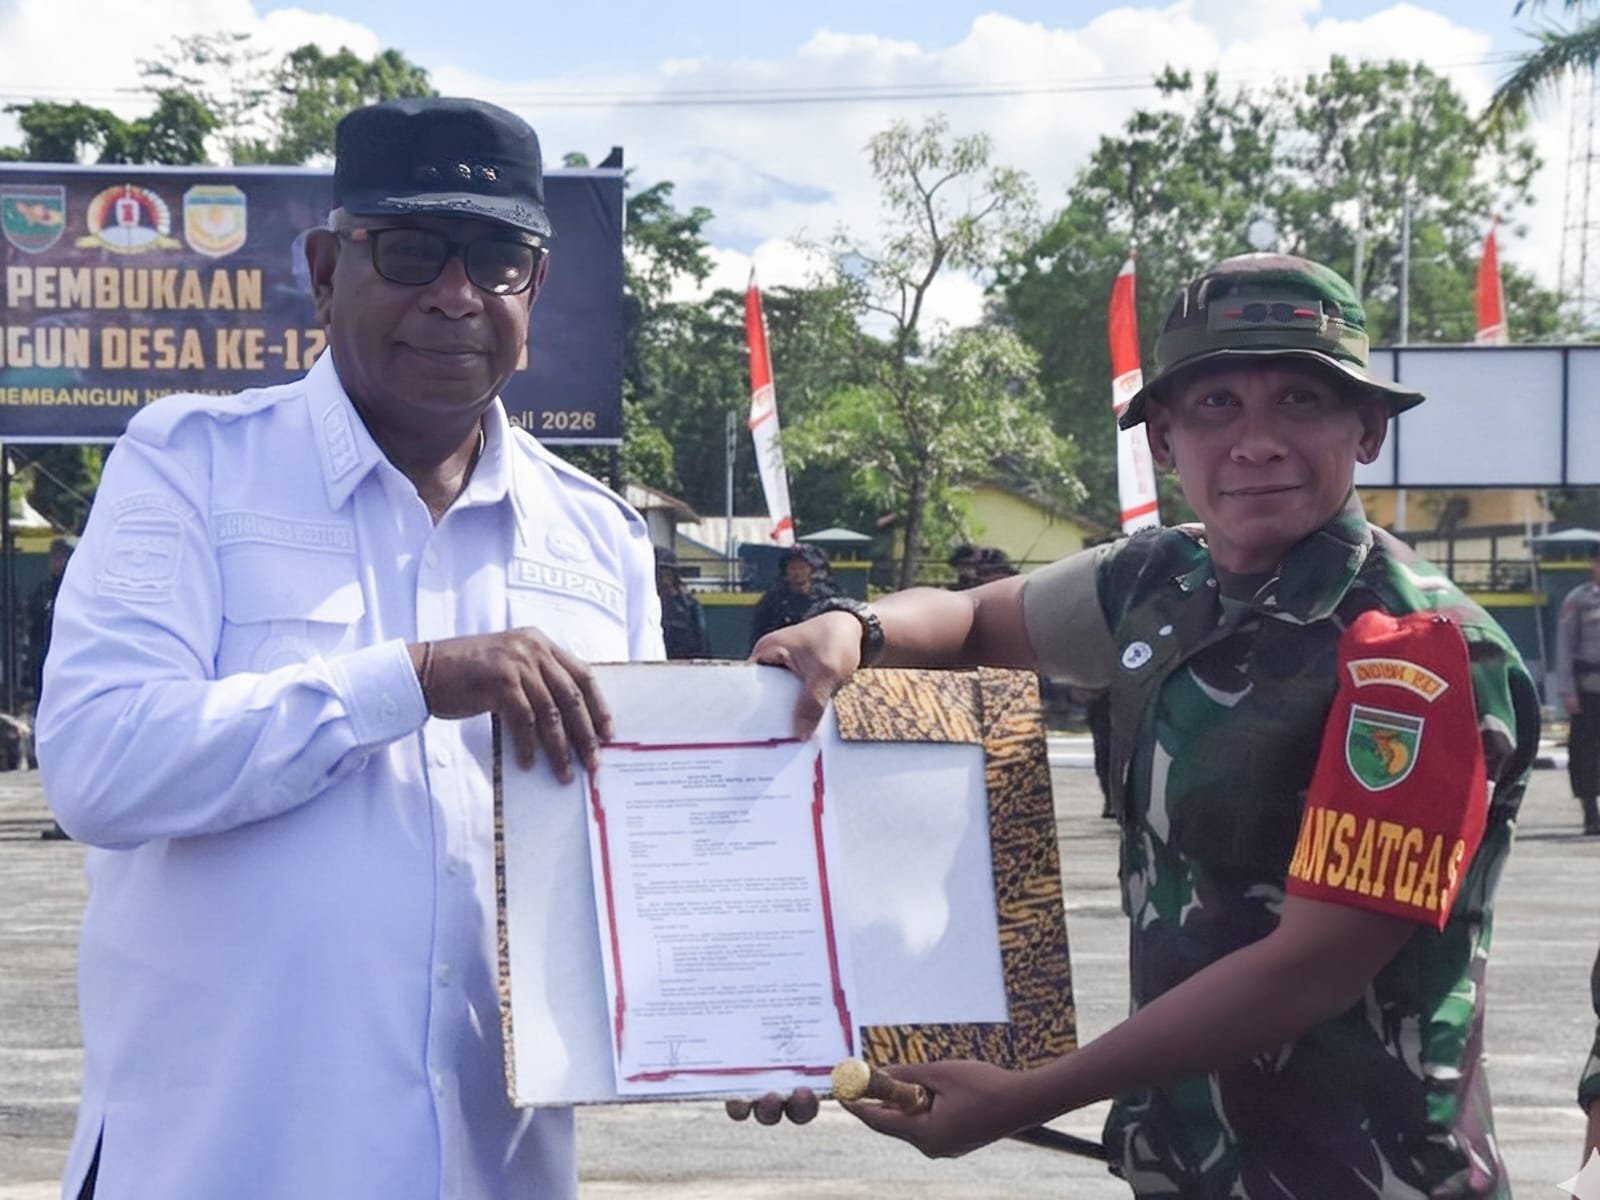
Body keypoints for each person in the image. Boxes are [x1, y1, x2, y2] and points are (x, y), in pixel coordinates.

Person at [753, 254, 1540, 1196]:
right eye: (1215, 405)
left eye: (1301, 399)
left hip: (1366, 1172)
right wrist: (855, 627)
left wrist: (1029, 1095)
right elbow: (966, 620)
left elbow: (1312, 968)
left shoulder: (1419, 655)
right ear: (1164, 437)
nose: (1256, 442)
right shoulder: (1158, 581)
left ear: (1366, 428)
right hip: (1186, 1162)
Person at [36, 97, 662, 1200]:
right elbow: (98, 766)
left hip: (494, 1171)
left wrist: (753, 1023)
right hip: (222, 1165)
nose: (455, 295)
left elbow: (642, 851)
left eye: (496, 259)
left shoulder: (599, 539)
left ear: (534, 288)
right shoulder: (191, 468)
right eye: (412, 250)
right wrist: (408, 681)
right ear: (328, 272)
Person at [1556, 543, 1600, 835]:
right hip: (1588, 689)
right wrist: (1567, 691)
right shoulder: (1579, 600)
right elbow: (1564, 646)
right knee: (1586, 753)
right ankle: (1590, 812)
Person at [748, 544, 832, 649]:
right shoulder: (773, 598)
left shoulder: (824, 597)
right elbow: (759, 631)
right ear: (786, 570)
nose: (797, 572)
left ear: (811, 570)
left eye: (802, 567)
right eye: (793, 568)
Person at [656, 544, 708, 659]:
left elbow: (701, 643)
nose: (664, 580)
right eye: (659, 574)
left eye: (668, 574)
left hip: (683, 663)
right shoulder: (645, 605)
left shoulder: (689, 606)